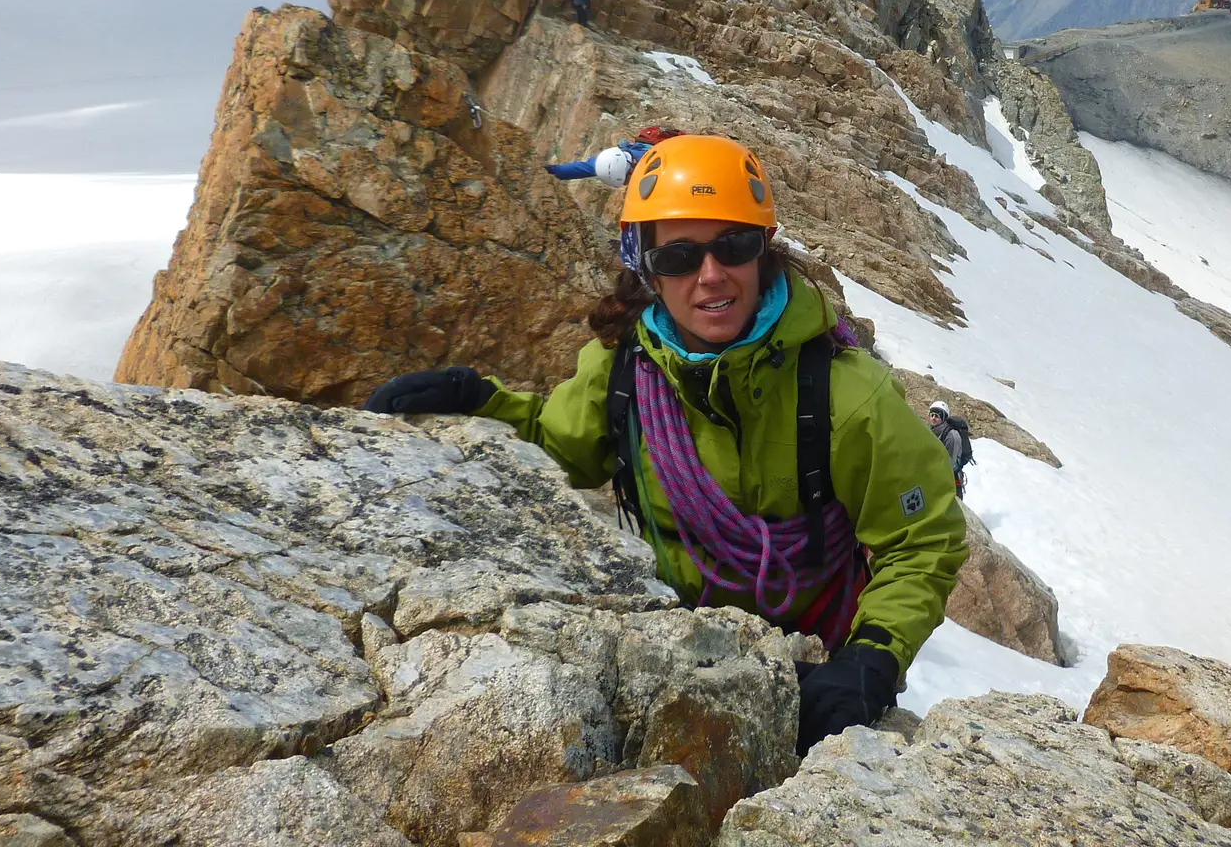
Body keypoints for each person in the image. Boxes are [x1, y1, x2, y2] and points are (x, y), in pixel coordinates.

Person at [365, 135, 965, 754]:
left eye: (733, 245)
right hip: (674, 651)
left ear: (763, 250)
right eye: (679, 257)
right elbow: (562, 448)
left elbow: (920, 540)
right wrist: (481, 402)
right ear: (647, 267)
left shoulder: (847, 392)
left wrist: (870, 659)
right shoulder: (623, 369)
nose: (711, 276)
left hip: (817, 655)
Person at [544, 125, 680, 183]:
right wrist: (552, 171)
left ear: (631, 170)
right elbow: (584, 168)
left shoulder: (655, 164)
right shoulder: (609, 161)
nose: (626, 184)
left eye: (626, 181)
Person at [926, 401, 974, 498]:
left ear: (943, 417)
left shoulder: (952, 436)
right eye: (932, 415)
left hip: (951, 480)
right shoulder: (929, 430)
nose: (934, 418)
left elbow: (950, 463)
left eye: (937, 415)